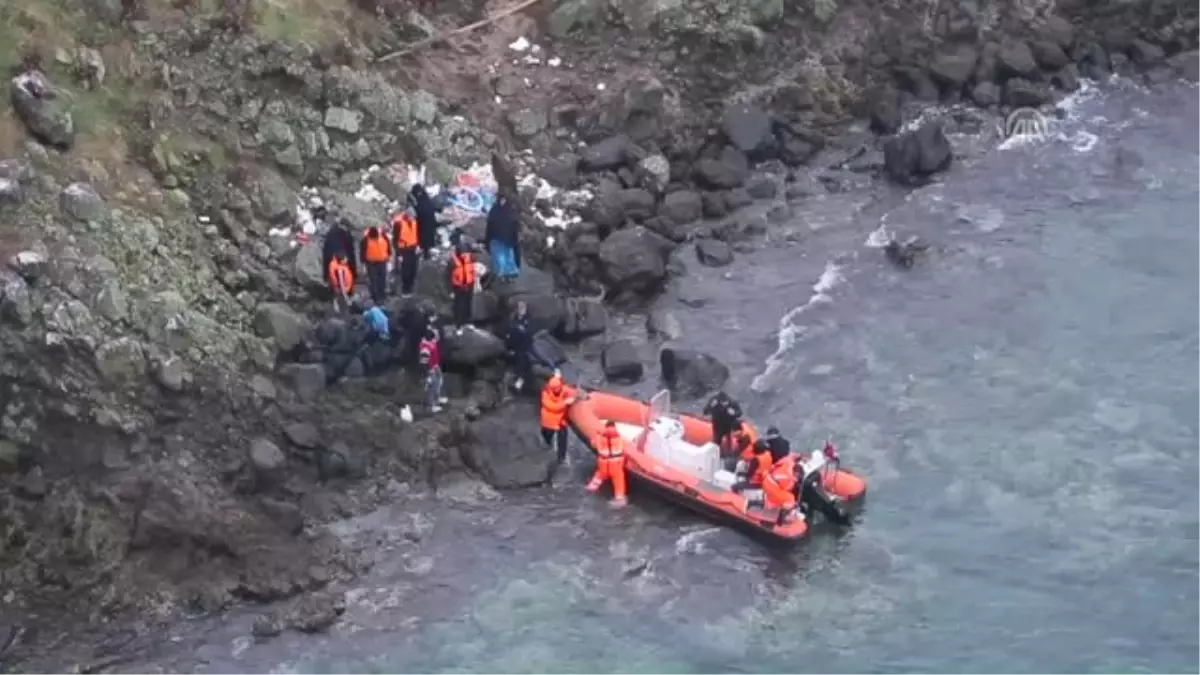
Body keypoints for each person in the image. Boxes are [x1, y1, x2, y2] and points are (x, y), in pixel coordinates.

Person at [540, 371, 577, 464]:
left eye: (559, 387)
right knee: (547, 435)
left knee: (563, 438)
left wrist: (578, 395)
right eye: (556, 388)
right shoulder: (545, 394)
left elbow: (572, 392)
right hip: (549, 421)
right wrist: (565, 403)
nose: (558, 390)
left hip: (560, 421)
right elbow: (553, 407)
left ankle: (561, 457)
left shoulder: (563, 389)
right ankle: (547, 445)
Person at [587, 420, 627, 507]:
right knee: (618, 481)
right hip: (616, 464)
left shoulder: (599, 438)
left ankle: (591, 488)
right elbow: (625, 448)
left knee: (599, 476)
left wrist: (596, 435)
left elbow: (593, 444)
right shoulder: (620, 438)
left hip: (603, 464)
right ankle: (619, 498)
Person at [485, 193, 521, 280]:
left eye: (504, 200)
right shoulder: (505, 211)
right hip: (498, 238)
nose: (502, 201)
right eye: (501, 199)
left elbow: (515, 226)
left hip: (505, 239)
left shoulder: (498, 211)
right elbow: (490, 225)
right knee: (501, 256)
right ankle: (504, 273)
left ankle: (506, 273)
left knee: (505, 256)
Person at [504, 300, 535, 392]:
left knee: (522, 357)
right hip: (513, 345)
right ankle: (518, 381)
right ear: (517, 309)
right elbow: (508, 332)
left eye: (524, 307)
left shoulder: (529, 320)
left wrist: (521, 330)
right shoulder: (513, 319)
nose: (522, 309)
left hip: (524, 347)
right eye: (520, 307)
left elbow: (530, 334)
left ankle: (520, 380)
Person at [762, 452, 799, 524]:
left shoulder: (788, 462)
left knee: (781, 495)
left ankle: (771, 504)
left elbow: (774, 467)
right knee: (790, 498)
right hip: (771, 488)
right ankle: (781, 518)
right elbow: (786, 490)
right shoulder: (789, 479)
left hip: (767, 479)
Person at [448, 239, 476, 332]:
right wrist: (450, 290)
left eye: (466, 252)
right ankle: (458, 325)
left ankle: (468, 321)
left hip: (469, 284)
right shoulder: (452, 262)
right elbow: (448, 276)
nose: (465, 255)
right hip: (458, 286)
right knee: (459, 305)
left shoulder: (470, 257)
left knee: (468, 303)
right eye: (463, 253)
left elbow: (472, 269)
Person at [392, 208, 420, 297]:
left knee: (413, 270)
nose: (412, 218)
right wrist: (399, 254)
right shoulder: (399, 224)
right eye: (411, 217)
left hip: (413, 249)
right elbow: (395, 240)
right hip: (404, 250)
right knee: (406, 271)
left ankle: (411, 288)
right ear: (407, 216)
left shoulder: (414, 222)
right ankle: (405, 290)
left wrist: (418, 245)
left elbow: (416, 235)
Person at [360, 225, 392, 304]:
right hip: (371, 263)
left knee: (382, 279)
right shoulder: (365, 240)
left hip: (382, 261)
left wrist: (389, 257)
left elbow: (388, 247)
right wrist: (363, 264)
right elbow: (362, 252)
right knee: (373, 281)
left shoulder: (384, 237)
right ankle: (376, 298)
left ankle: (383, 296)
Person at [418, 327, 447, 413]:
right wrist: (428, 373)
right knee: (431, 387)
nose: (436, 338)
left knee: (439, 381)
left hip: (435, 366)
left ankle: (437, 399)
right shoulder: (425, 348)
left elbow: (437, 338)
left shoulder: (431, 343)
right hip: (430, 369)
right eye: (434, 337)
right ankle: (431, 406)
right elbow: (423, 362)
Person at [322, 217, 358, 282]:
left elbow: (325, 252)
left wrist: (325, 274)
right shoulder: (347, 235)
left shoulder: (330, 233)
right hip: (343, 260)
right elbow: (351, 253)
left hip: (332, 260)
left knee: (334, 280)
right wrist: (354, 273)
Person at [408, 184, 439, 260]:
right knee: (428, 236)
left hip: (423, 221)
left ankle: (426, 253)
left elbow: (418, 209)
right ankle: (427, 251)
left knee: (424, 237)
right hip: (430, 220)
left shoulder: (419, 198)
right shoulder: (425, 197)